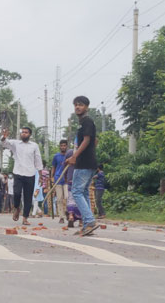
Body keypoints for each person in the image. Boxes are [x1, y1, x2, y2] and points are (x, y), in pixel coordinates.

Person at [66, 96, 99, 236]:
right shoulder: (82, 123)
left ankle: (90, 221)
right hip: (87, 162)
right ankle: (87, 225)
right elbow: (94, 141)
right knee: (84, 192)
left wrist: (75, 156)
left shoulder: (87, 121)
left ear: (87, 107)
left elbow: (87, 140)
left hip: (84, 163)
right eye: (75, 105)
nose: (77, 107)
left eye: (80, 105)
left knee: (77, 192)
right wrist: (72, 157)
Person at [1, 127, 43, 225]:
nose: (24, 134)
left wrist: (40, 176)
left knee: (28, 197)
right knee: (17, 193)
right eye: (22, 132)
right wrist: (3, 137)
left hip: (30, 174)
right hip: (18, 173)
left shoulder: (34, 146)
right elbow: (4, 143)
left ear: (30, 135)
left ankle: (25, 218)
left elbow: (38, 160)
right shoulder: (16, 144)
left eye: (26, 132)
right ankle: (16, 208)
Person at [51, 139, 69, 224]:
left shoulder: (69, 155)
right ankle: (61, 216)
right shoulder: (56, 156)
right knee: (59, 199)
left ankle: (68, 213)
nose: (63, 147)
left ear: (67, 146)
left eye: (64, 145)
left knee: (67, 197)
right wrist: (51, 178)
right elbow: (53, 167)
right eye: (61, 145)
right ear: (60, 146)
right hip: (58, 179)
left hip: (67, 180)